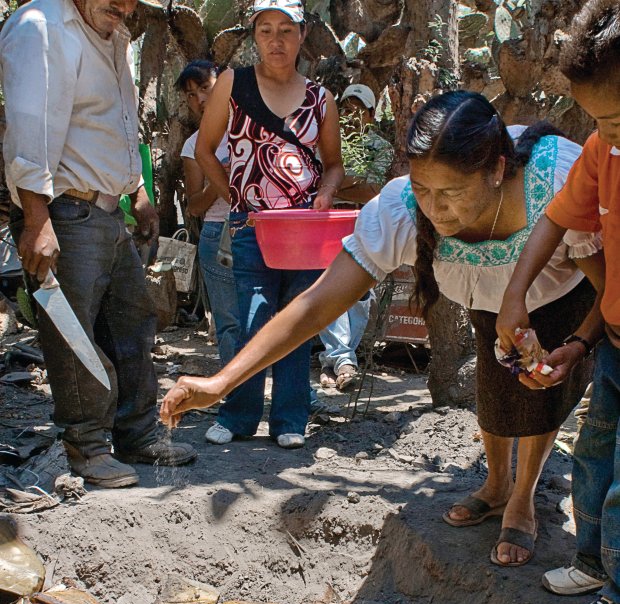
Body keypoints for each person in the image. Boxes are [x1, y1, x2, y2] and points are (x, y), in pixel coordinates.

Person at [162, 90, 601, 562]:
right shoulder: (402, 208)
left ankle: (522, 498)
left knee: (540, 391)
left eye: (451, 194)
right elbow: (315, 304)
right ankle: (496, 486)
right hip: (491, 297)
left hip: (567, 289)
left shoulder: (559, 181)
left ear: (497, 170)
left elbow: (612, 284)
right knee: (495, 382)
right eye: (424, 190)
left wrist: (578, 343)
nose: (436, 209)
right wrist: (222, 381)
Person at [0, 0, 196, 488]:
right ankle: (85, 447)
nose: (124, 5)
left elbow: (117, 128)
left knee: (132, 322)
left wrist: (140, 195)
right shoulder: (40, 27)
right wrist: (36, 219)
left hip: (107, 212)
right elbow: (29, 130)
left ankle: (136, 433)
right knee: (74, 334)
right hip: (63, 211)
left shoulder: (113, 35)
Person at [497, 0, 620, 604]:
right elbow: (556, 219)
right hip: (616, 343)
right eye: (597, 119)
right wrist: (523, 302)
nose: (607, 133)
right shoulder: (604, 149)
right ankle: (595, 565)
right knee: (595, 453)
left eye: (618, 117)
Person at [195, 0, 344, 449]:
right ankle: (239, 416)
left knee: (297, 322)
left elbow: (333, 165)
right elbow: (205, 149)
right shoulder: (233, 84)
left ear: (302, 35)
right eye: (265, 30)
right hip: (250, 228)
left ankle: (290, 421)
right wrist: (235, 198)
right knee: (252, 319)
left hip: (303, 231)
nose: (275, 40)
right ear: (254, 36)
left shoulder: (322, 99)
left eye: (285, 30)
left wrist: (325, 193)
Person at [318, 83, 394, 392]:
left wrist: (335, 184)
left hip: (364, 226)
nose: (350, 117)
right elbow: (319, 183)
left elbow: (372, 189)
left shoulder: (381, 147)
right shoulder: (329, 145)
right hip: (327, 227)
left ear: (371, 114)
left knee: (361, 294)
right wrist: (346, 183)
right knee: (326, 288)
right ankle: (343, 360)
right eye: (345, 110)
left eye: (356, 110)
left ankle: (332, 362)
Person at [178, 59, 239, 366]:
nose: (199, 99)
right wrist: (218, 178)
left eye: (204, 88)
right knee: (229, 323)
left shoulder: (251, 127)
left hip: (262, 229)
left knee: (274, 314)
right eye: (190, 94)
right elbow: (194, 206)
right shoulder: (193, 146)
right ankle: (237, 395)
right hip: (218, 235)